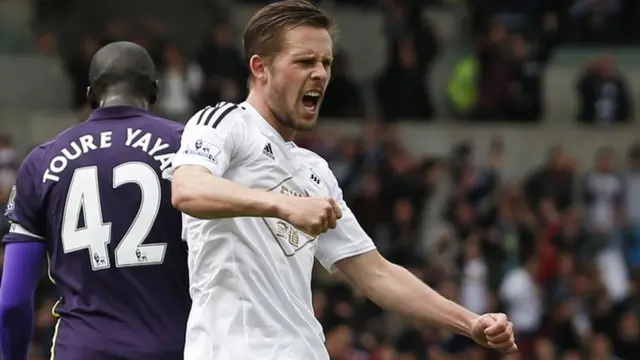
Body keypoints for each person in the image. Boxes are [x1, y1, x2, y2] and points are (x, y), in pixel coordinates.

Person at [167, 1, 518, 359]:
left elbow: (376, 274)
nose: (320, 73)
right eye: (305, 61)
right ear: (261, 68)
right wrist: (283, 205)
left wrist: (469, 322)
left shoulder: (313, 170)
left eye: (326, 63)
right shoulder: (225, 123)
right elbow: (188, 188)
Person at [0, 41, 191, 360]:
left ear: (90, 95)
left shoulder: (41, 163)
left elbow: (12, 301)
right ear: (155, 92)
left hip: (82, 349)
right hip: (175, 348)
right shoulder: (190, 149)